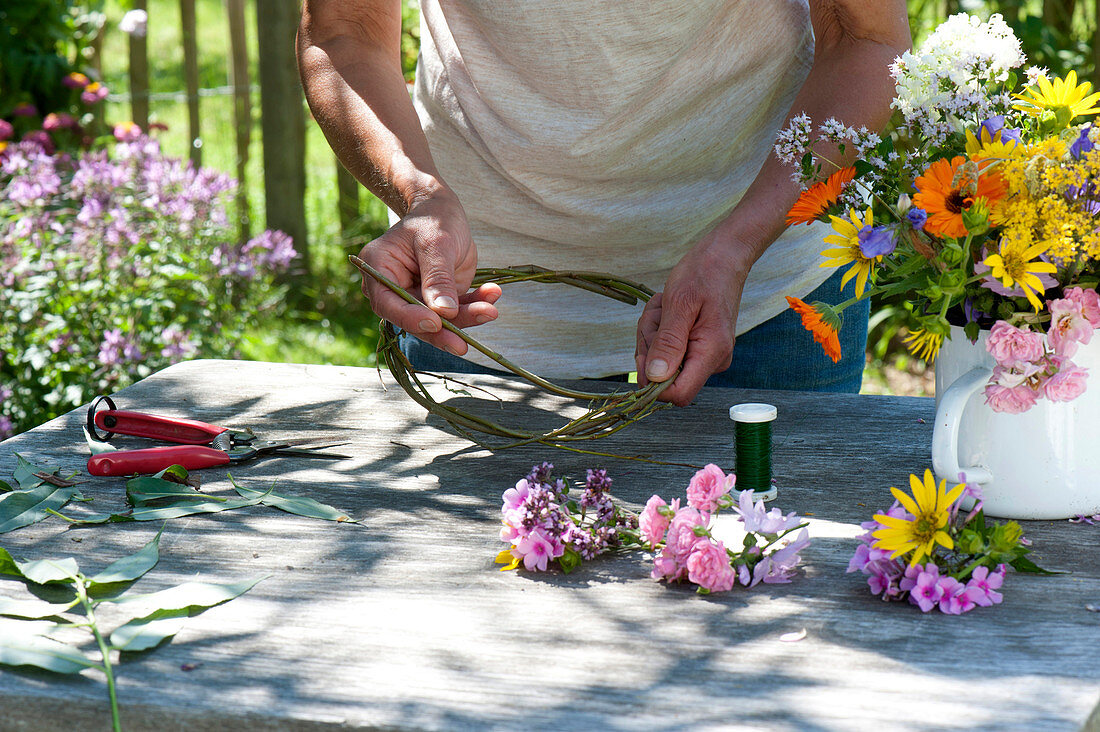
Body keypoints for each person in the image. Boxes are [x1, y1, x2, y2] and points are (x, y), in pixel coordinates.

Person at [297, 1, 911, 405]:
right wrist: (417, 194)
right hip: (477, 294)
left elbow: (868, 38)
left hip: (769, 282)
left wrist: (738, 246)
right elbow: (342, 29)